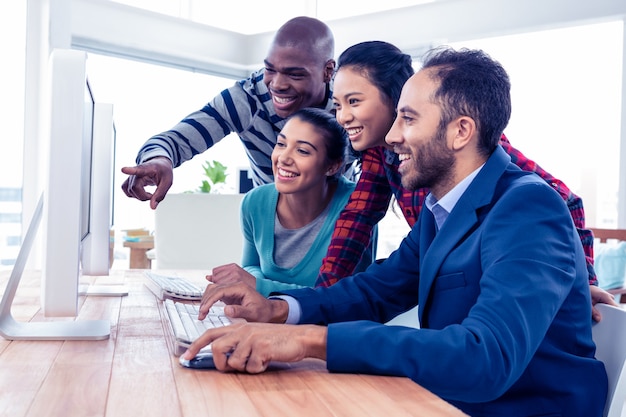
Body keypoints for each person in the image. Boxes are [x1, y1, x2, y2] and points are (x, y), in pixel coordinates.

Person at [184, 46, 608, 416]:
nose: (391, 136)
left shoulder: (527, 207)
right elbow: (374, 291)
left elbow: (485, 358)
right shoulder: (441, 211)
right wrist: (278, 311)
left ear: (461, 131)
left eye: (407, 119)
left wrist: (310, 341)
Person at [321, 40, 615, 319]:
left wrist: (583, 280)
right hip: (450, 286)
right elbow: (355, 222)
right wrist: (317, 297)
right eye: (337, 105)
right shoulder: (381, 157)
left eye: (354, 101)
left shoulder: (474, 150)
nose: (343, 116)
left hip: (491, 283)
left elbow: (561, 199)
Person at [120, 16, 337, 209]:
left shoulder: (348, 104)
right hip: (276, 226)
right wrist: (159, 159)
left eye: (295, 74)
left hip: (345, 225)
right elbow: (176, 140)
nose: (277, 84)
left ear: (328, 71)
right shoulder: (246, 100)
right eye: (270, 69)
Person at [208, 107, 371, 296]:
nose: (283, 158)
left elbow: (346, 298)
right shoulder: (255, 202)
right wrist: (246, 279)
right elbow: (252, 265)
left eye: (302, 151)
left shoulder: (357, 205)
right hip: (268, 320)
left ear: (332, 166)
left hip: (327, 325)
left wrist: (258, 285)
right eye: (281, 144)